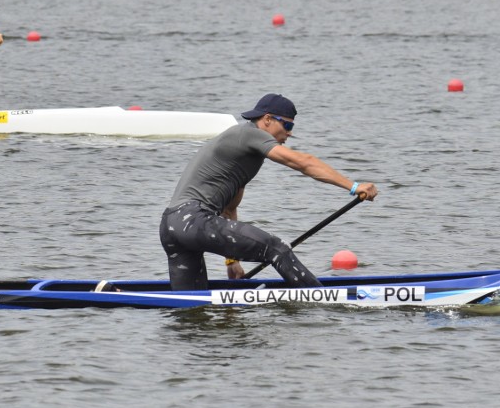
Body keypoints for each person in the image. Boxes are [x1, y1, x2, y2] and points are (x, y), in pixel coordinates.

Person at [159, 93, 378, 291]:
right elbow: (304, 163)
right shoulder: (248, 133)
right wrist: (354, 186)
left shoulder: (242, 157)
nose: (290, 133)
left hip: (171, 227)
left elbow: (229, 208)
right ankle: (321, 299)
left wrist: (231, 261)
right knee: (277, 248)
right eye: (286, 125)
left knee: (191, 306)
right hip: (193, 220)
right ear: (267, 119)